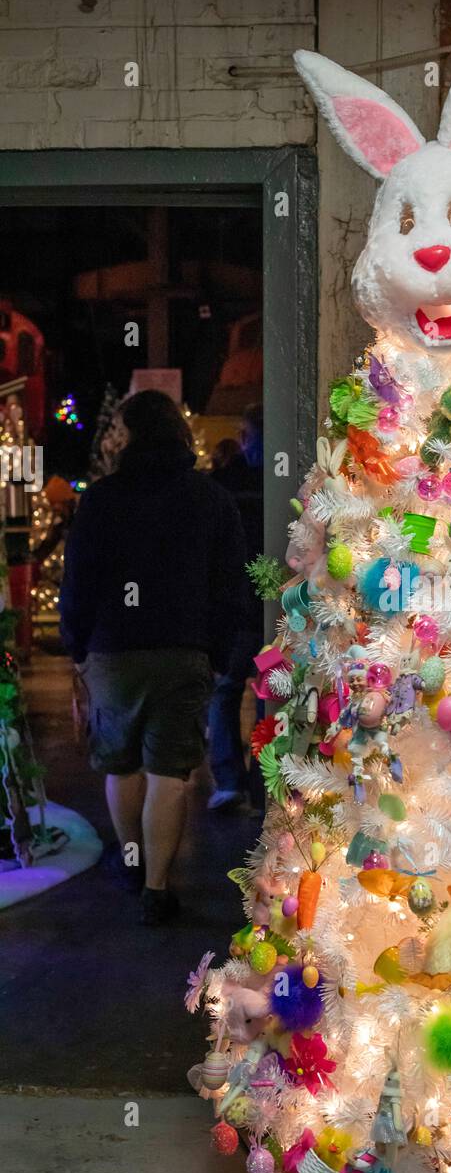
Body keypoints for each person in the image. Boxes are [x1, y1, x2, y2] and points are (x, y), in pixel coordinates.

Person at [60, 390, 247, 925]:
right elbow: (229, 585)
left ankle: (133, 860)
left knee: (121, 764)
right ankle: (157, 888)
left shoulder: (101, 499)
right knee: (169, 773)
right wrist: (215, 652)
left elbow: (80, 584)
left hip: (113, 651)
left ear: (131, 435)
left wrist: (76, 649)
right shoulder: (211, 500)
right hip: (184, 650)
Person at [206, 406, 264, 811]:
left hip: (233, 605)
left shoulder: (222, 484)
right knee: (268, 694)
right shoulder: (287, 477)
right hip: (274, 605)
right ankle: (264, 785)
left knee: (226, 691)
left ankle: (229, 781)